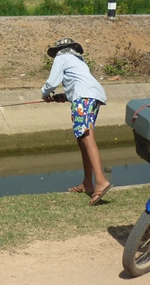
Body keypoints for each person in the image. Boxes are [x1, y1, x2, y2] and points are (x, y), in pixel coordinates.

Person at [41, 37, 112, 206]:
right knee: (82, 138)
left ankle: (101, 181)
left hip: (84, 98)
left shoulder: (61, 57)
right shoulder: (79, 61)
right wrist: (62, 97)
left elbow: (51, 82)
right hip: (92, 97)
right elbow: (79, 86)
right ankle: (88, 183)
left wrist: (45, 94)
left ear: (60, 49)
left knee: (87, 137)